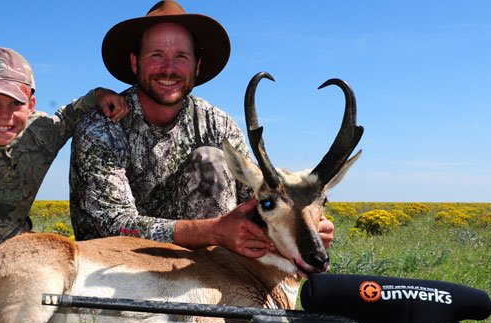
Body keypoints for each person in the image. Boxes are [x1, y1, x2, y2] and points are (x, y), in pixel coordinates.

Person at [70, 0, 333, 258]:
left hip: (200, 274)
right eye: (156, 55)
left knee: (211, 159)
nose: (169, 68)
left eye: (181, 56)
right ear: (135, 62)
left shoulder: (218, 125)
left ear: (196, 65)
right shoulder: (101, 127)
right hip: (115, 271)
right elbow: (114, 225)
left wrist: (304, 225)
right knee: (210, 161)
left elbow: (256, 199)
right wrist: (215, 232)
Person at [0, 45, 130, 282]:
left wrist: (99, 94)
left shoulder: (41, 131)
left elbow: (70, 115)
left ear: (31, 104)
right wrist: (27, 239)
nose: (3, 114)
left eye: (15, 103)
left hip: (13, 230)